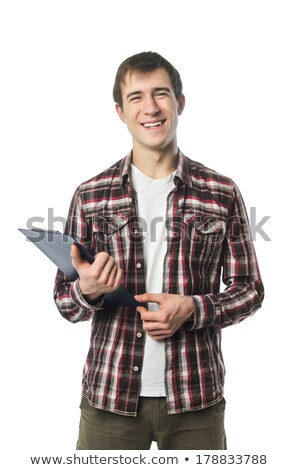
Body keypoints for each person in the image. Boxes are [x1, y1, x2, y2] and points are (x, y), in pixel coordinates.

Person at [54, 51, 264, 450]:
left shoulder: (221, 193)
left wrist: (193, 308)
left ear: (180, 103)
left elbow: (250, 289)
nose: (150, 108)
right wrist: (89, 290)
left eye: (161, 94)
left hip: (196, 402)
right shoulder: (91, 195)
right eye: (136, 97)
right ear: (120, 111)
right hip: (109, 400)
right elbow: (65, 303)